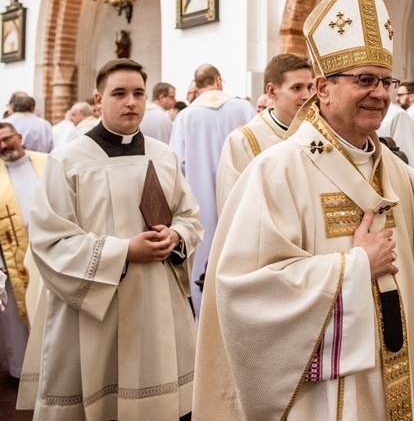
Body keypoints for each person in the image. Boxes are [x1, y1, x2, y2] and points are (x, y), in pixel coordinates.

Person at [193, 0, 414, 420]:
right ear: (323, 89)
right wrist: (354, 266)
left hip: (401, 370)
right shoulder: (276, 170)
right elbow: (242, 292)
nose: (380, 94)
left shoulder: (396, 171)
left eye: (386, 82)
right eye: (365, 80)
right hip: (329, 392)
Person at [17, 58, 203, 419]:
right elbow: (50, 241)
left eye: (138, 93)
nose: (131, 102)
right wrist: (123, 251)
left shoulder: (163, 156)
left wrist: (177, 236)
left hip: (156, 304)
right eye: (119, 93)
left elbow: (189, 215)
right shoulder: (67, 160)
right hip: (96, 310)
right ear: (99, 100)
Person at [170, 64, 255, 313]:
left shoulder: (186, 116)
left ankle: (204, 318)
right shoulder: (242, 107)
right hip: (240, 196)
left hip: (199, 198)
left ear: (197, 85)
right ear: (219, 80)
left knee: (203, 255)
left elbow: (177, 165)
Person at [216, 53, 314, 212]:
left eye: (310, 87)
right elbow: (233, 210)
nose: (307, 96)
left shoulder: (317, 134)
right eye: (297, 88)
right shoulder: (243, 141)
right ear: (272, 91)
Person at [0, 122, 46, 380]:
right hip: (11, 256)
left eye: (8, 139)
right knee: (17, 321)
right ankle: (23, 373)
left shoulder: (46, 161)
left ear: (19, 136)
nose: (5, 146)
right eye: (0, 143)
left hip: (49, 251)